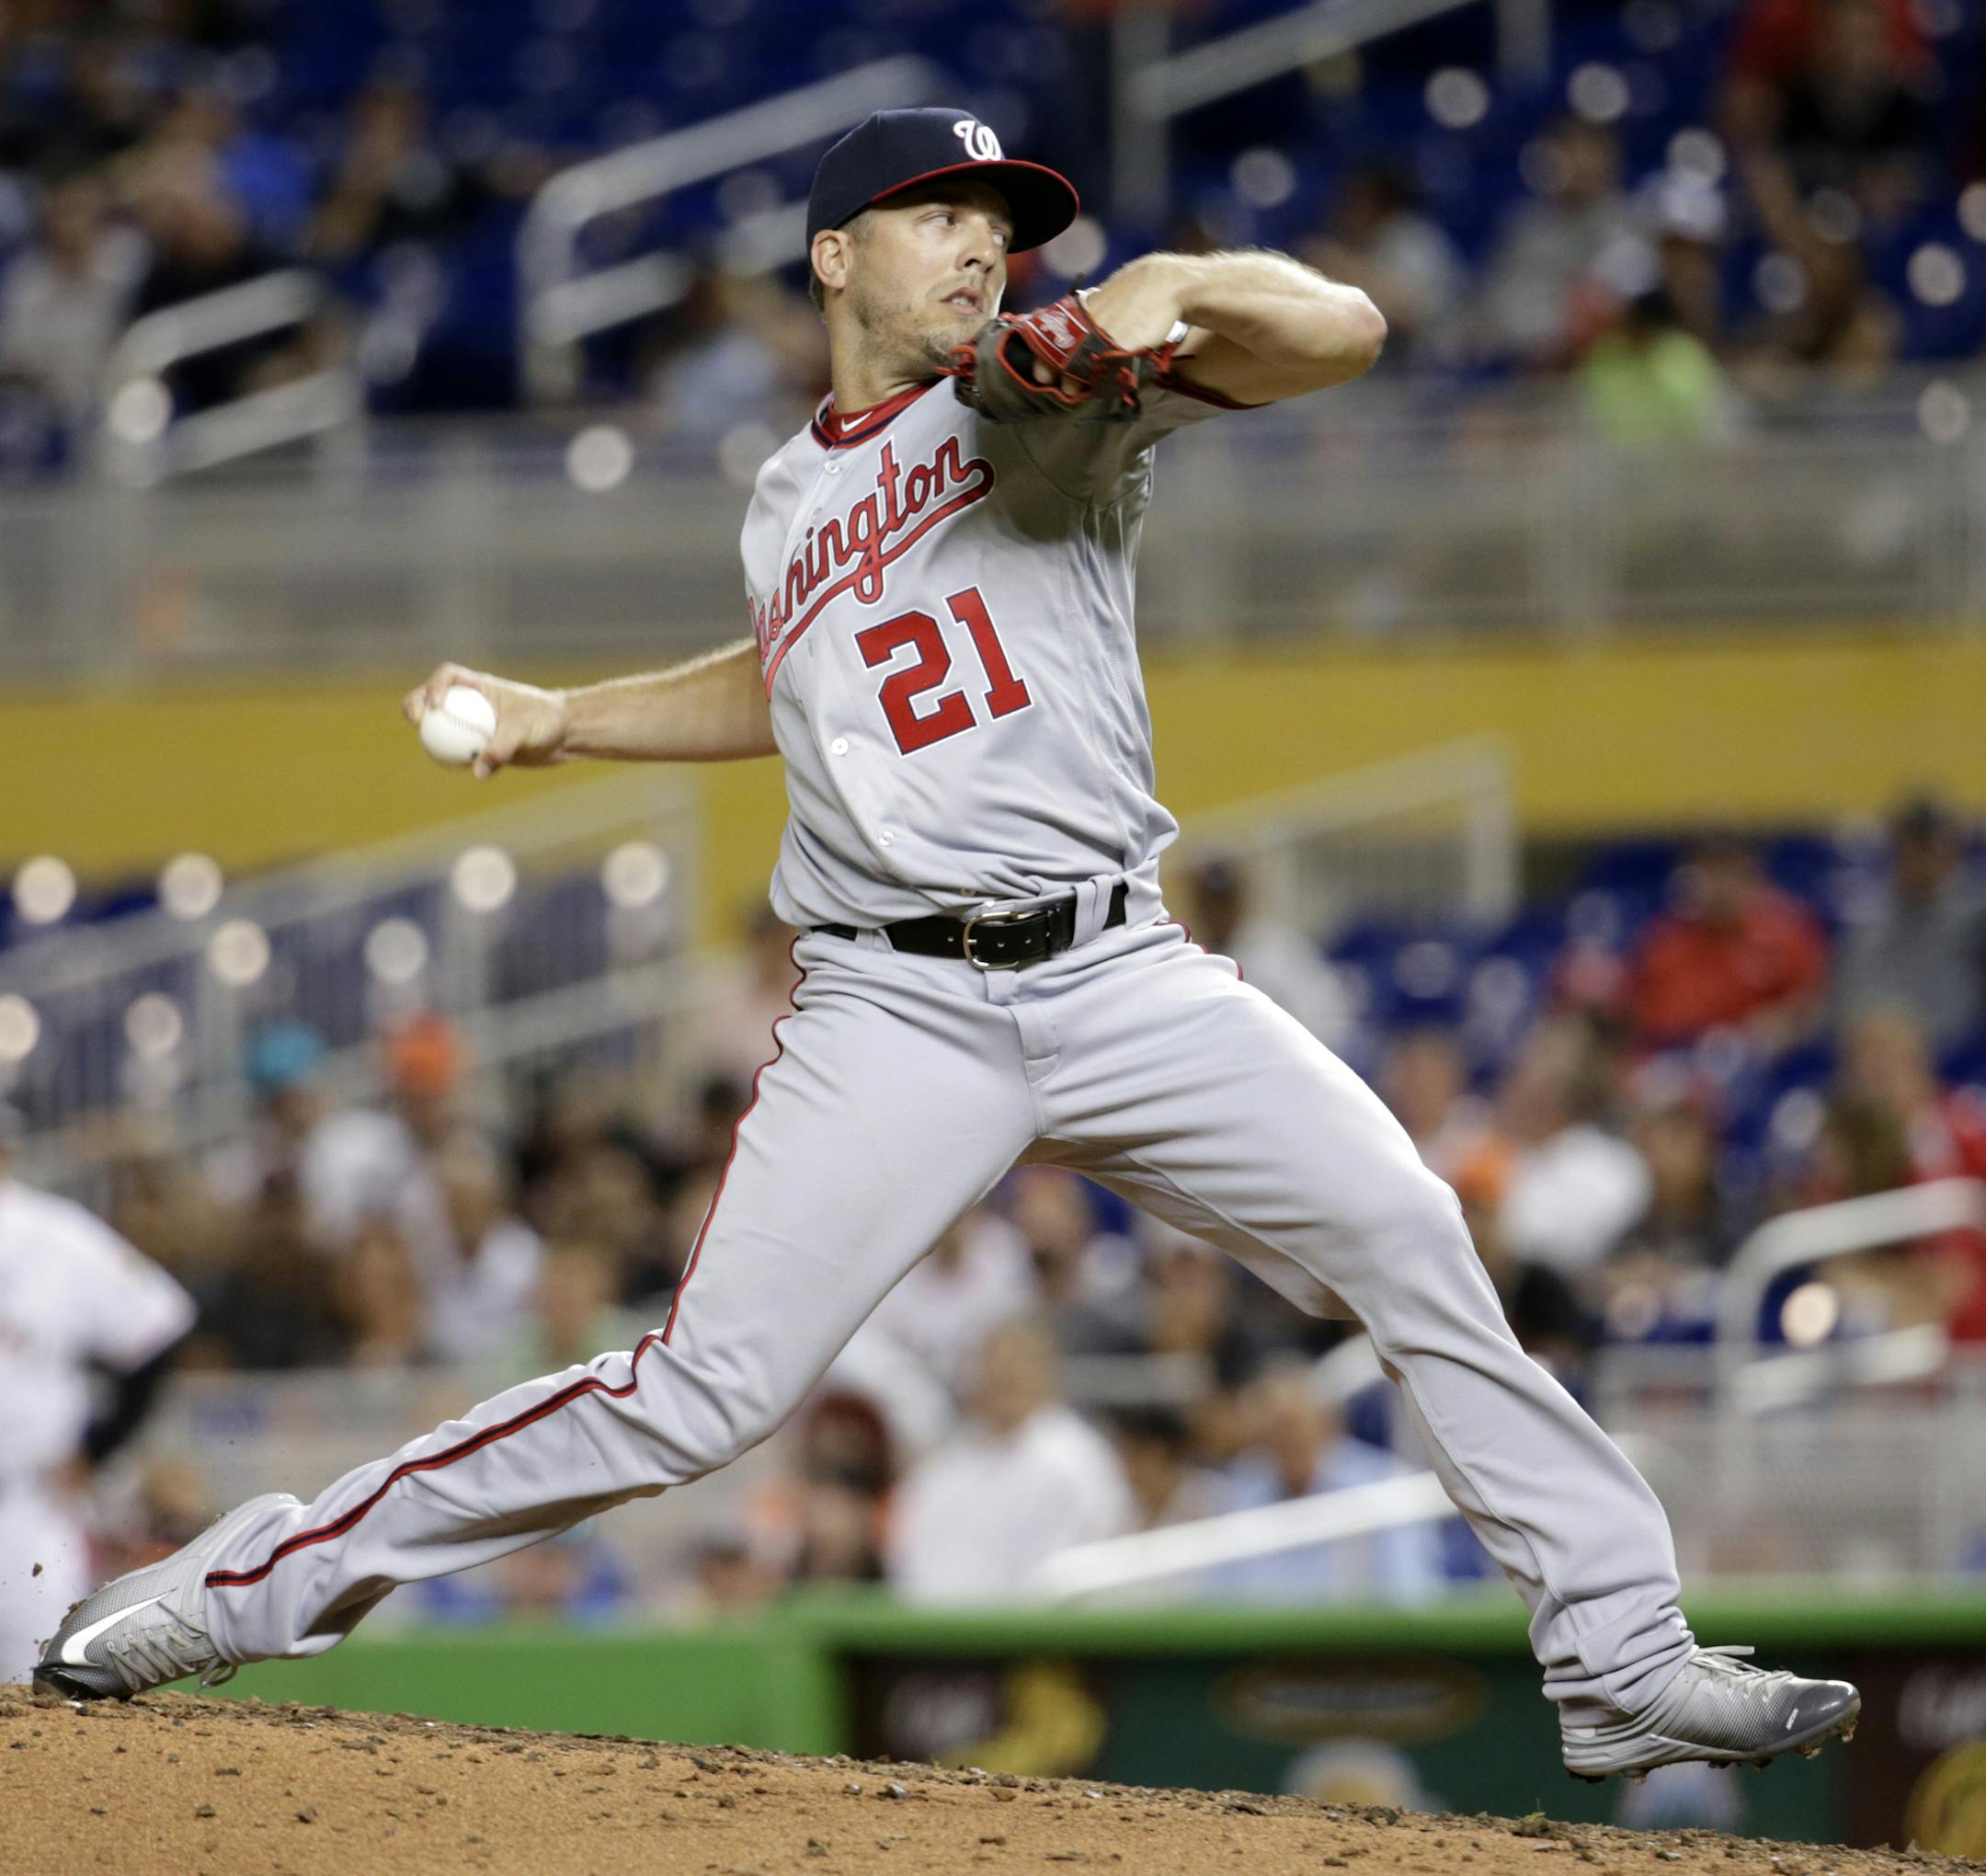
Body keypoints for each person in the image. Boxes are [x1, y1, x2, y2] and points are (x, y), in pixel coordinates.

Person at [40, 106, 1858, 1783]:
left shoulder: (1040, 397)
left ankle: (1617, 1647)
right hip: (895, 1008)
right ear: (835, 254)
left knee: (1404, 1229)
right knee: (701, 1395)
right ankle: (242, 1590)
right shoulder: (787, 497)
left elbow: (1341, 335)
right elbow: (793, 681)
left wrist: (1163, 295)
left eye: (1003, 223)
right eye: (938, 217)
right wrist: (563, 719)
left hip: (1120, 972)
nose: (983, 247)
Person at [0, 1105, 196, 1681]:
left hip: (24, 1509)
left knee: (39, 1695)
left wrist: (99, 1447)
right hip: (29, 1503)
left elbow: (158, 1333)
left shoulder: (52, 1236)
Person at [885, 1316, 1134, 1601]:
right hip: (931, 1632)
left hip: (1038, 1634)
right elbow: (906, 1551)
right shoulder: (946, 1464)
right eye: (991, 1368)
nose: (1000, 1378)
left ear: (1045, 1372)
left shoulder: (1078, 1460)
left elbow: (1089, 1561)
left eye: (1015, 1368)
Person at [1834, 795, 1986, 1046]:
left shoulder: (1976, 921)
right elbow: (1845, 1006)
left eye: (1929, 848)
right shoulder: (1869, 922)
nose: (1919, 861)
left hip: (1955, 1056)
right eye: (1911, 846)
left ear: (1951, 853)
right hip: (1876, 1055)